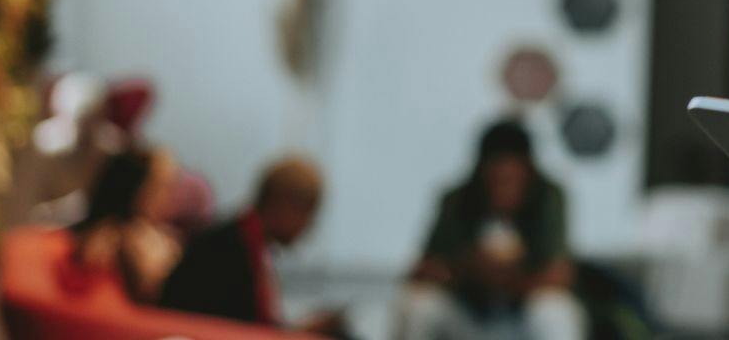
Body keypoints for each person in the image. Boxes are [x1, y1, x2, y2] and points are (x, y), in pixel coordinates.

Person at [394, 119, 586, 340]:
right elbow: (421, 271)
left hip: (520, 320)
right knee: (418, 305)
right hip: (469, 316)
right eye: (497, 179)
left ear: (528, 174)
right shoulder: (457, 200)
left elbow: (560, 274)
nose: (504, 188)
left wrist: (510, 279)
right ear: (481, 173)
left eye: (512, 180)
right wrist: (467, 268)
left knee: (554, 311)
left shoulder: (548, 198)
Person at [158, 156, 351, 336]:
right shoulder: (225, 248)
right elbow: (238, 328)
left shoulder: (248, 242)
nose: (308, 226)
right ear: (284, 204)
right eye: (308, 214)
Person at [62, 145, 181, 305]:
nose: (169, 197)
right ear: (136, 187)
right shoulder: (110, 237)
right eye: (162, 187)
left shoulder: (160, 236)